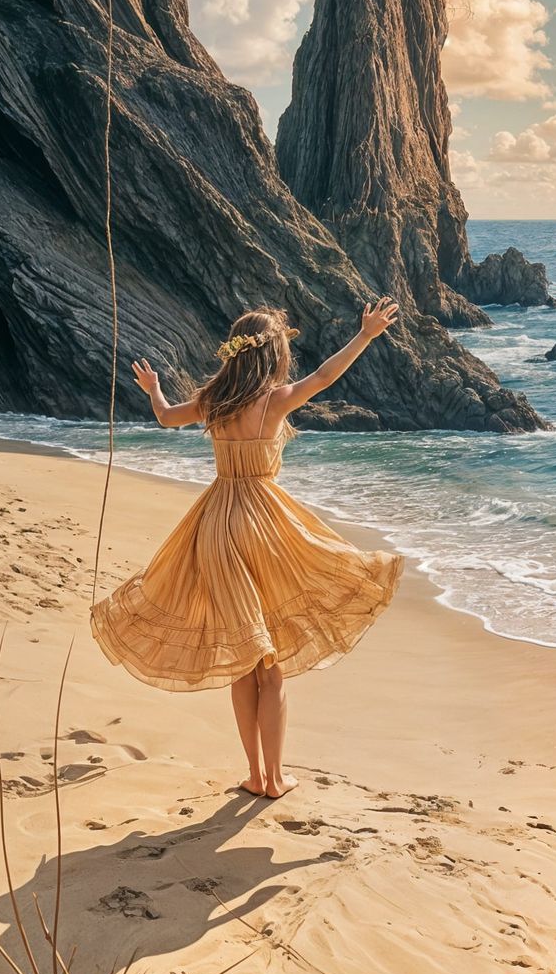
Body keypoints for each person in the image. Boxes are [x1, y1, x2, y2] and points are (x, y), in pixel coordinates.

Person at [90, 301, 404, 799]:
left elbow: (168, 418)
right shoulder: (273, 400)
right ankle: (275, 778)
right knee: (271, 664)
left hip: (215, 523)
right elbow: (324, 377)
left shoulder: (214, 400)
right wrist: (364, 336)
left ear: (235, 352)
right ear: (273, 353)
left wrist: (154, 391)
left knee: (243, 654)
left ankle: (255, 773)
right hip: (263, 523)